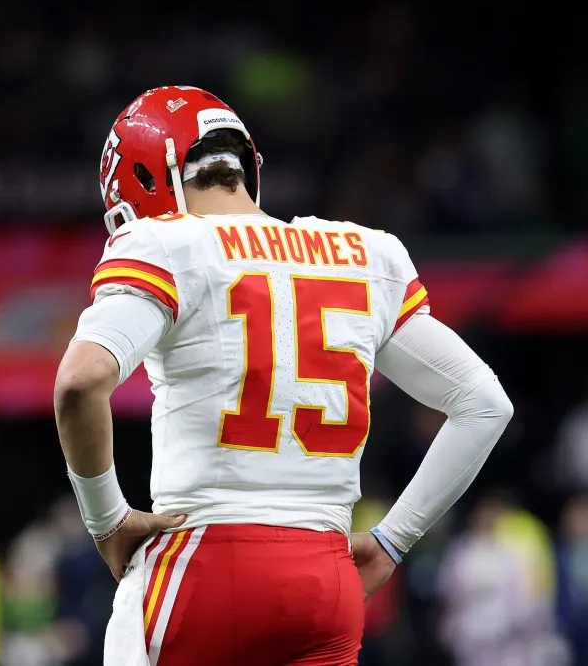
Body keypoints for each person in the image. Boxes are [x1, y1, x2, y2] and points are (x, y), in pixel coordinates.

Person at [53, 86, 513, 666]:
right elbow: (484, 404)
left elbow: (80, 381)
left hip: (206, 563)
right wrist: (394, 540)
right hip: (326, 579)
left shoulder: (164, 243)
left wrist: (106, 520)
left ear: (144, 180)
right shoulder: (368, 253)